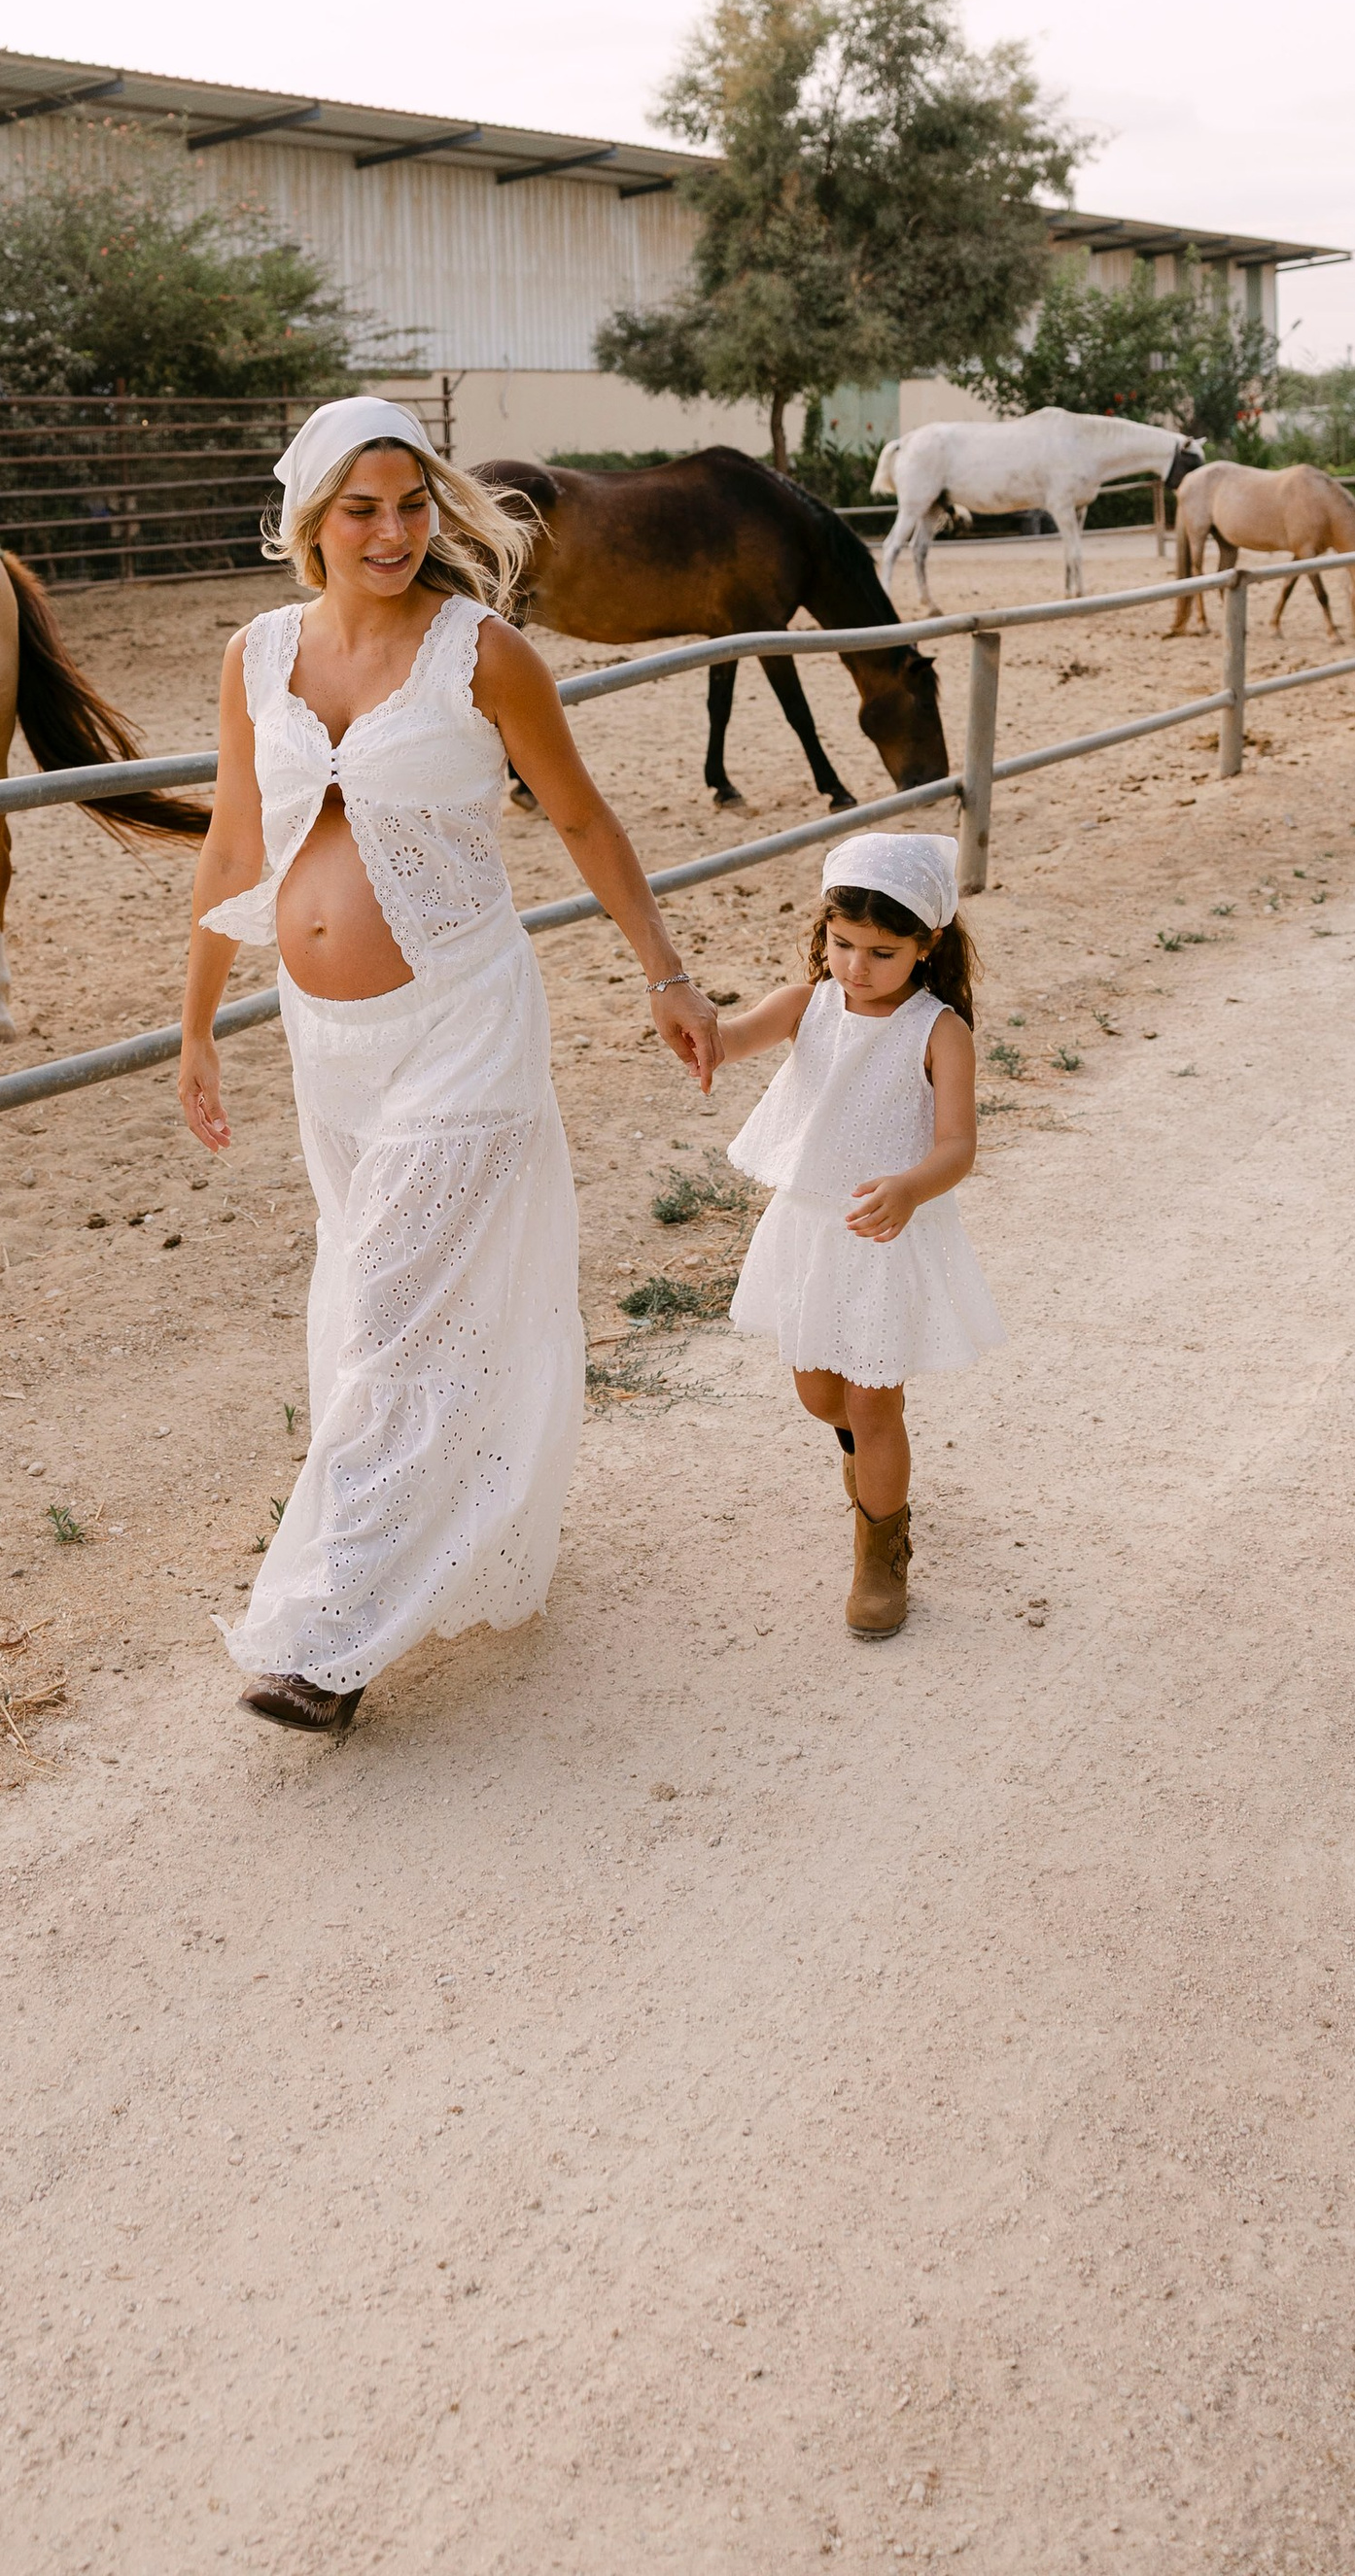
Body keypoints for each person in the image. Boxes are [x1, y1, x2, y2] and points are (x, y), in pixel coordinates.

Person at [178, 396, 720, 1734]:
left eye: (412, 504)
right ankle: (432, 1538)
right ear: (311, 519)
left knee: (395, 1311)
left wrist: (666, 972)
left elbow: (582, 816)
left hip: (465, 1025)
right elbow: (235, 848)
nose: (395, 531)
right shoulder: (258, 655)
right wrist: (193, 1026)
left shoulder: (482, 654)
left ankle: (330, 1646)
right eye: (362, 508)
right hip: (329, 1045)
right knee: (376, 1304)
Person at [711, 833, 1004, 1638]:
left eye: (882, 952)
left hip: (883, 1237)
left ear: (926, 946)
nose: (856, 968)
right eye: (842, 945)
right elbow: (737, 1035)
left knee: (876, 1404)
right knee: (820, 1393)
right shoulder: (809, 1003)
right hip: (809, 1228)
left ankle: (881, 1547)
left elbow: (957, 1146)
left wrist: (911, 1186)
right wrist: (705, 1035)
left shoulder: (937, 1031)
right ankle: (862, 1457)